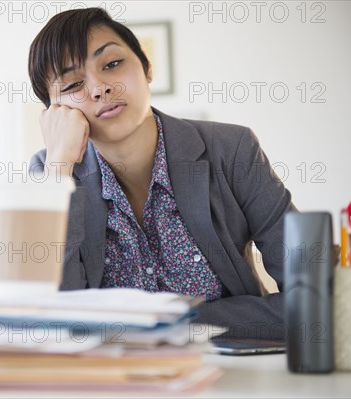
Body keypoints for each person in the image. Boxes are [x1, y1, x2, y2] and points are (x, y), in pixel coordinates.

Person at [28, 7, 296, 341]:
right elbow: (50, 321)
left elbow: (311, 299)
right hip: (109, 384)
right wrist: (59, 169)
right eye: (73, 84)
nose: (99, 88)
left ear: (147, 68)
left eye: (112, 64)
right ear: (54, 113)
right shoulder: (50, 174)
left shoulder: (231, 149)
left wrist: (171, 323)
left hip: (228, 372)